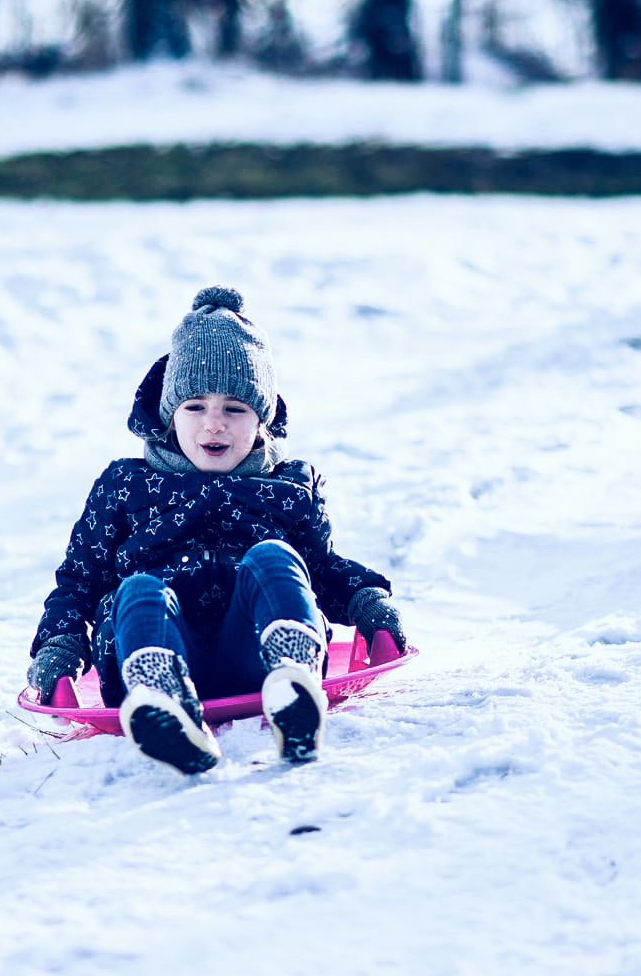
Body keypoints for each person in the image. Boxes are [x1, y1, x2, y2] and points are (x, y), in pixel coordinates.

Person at [26, 286, 406, 774]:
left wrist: (366, 602)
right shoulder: (125, 485)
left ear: (262, 420)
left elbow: (321, 569)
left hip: (253, 648)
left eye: (235, 408)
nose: (214, 425)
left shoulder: (288, 487)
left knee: (275, 558)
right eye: (194, 406)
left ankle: (291, 677)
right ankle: (163, 704)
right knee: (138, 588)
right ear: (167, 415)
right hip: (147, 647)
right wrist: (60, 646)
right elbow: (80, 581)